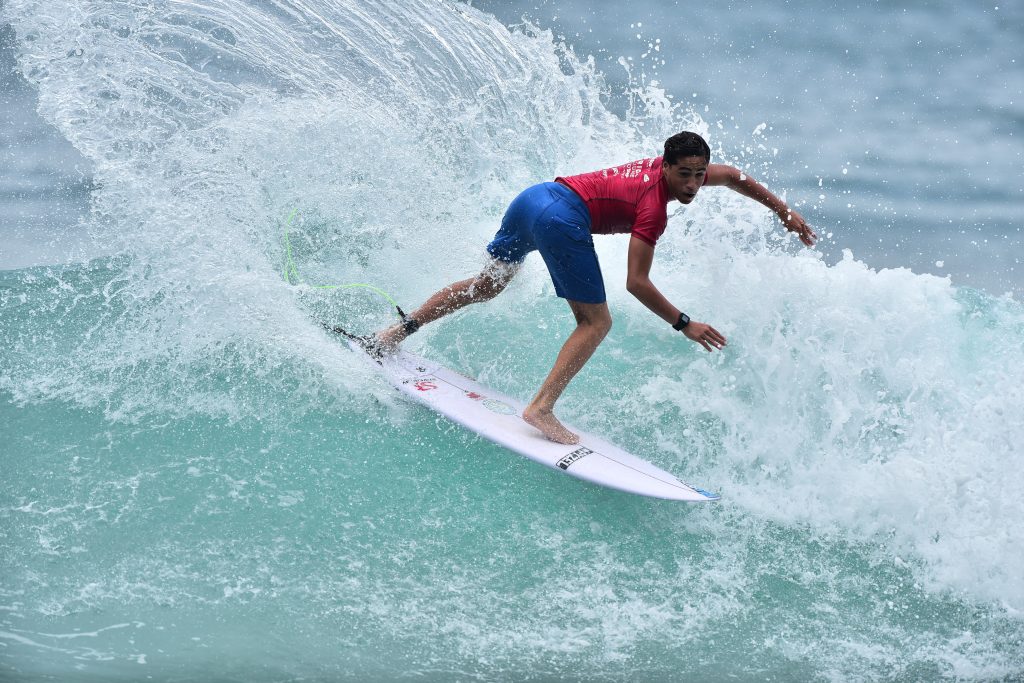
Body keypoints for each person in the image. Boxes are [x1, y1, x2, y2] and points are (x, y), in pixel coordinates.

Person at [374, 131, 816, 445]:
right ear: (665, 167)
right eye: (684, 175)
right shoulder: (653, 209)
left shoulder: (682, 172)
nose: (694, 185)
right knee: (596, 321)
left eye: (699, 174)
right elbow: (637, 283)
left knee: (489, 285)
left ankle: (394, 333)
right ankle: (540, 409)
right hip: (560, 218)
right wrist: (684, 323)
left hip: (533, 198)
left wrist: (782, 211)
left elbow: (733, 176)